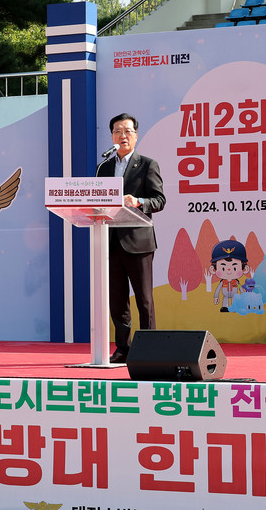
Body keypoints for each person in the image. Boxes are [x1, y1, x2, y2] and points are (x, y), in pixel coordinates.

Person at [96, 113, 166, 363]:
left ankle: (149, 347)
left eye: (127, 131)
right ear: (111, 137)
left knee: (144, 300)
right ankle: (123, 348)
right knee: (117, 300)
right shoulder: (103, 168)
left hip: (139, 242)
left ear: (136, 135)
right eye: (117, 131)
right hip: (111, 241)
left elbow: (159, 200)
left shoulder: (147, 164)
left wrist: (138, 201)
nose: (122, 136)